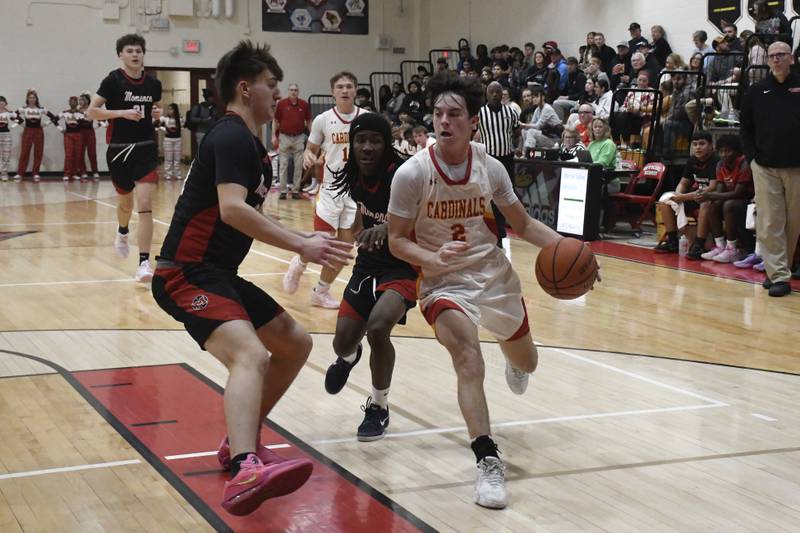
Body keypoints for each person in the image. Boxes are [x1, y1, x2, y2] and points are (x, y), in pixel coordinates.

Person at [152, 39, 352, 516]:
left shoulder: (247, 141)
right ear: (246, 88)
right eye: (270, 85)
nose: (277, 95)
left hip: (218, 272)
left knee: (295, 343)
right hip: (186, 273)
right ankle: (245, 466)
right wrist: (301, 245)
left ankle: (236, 443)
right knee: (251, 354)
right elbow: (233, 210)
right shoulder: (229, 135)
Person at [387, 71, 564, 510]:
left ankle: (515, 354)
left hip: (492, 276)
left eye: (454, 114)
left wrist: (570, 249)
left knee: (528, 361)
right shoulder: (412, 173)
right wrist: (429, 259)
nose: (444, 121)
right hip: (443, 282)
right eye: (438, 113)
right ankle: (487, 459)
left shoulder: (490, 167)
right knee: (468, 357)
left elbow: (522, 226)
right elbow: (396, 239)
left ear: (473, 124)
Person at [323, 113, 417, 441]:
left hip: (403, 265)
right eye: (361, 140)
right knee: (342, 340)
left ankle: (379, 407)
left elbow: (424, 217)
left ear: (386, 144)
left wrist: (389, 228)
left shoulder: (401, 175)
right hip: (369, 264)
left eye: (374, 141)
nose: (366, 147)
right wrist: (358, 234)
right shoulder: (356, 174)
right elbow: (364, 212)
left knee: (378, 328)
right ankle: (350, 355)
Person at [282, 72, 364, 309]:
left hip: (356, 191)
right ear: (333, 92)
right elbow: (311, 149)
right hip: (330, 189)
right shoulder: (323, 120)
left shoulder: (367, 119)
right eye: (340, 87)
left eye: (349, 86)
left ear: (355, 90)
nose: (345, 90)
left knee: (345, 248)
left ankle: (321, 292)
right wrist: (308, 157)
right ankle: (299, 262)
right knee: (324, 242)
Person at [87, 34, 162, 283]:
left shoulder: (153, 84)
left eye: (138, 50)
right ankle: (122, 231)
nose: (135, 54)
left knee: (145, 203)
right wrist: (122, 113)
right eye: (129, 50)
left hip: (146, 148)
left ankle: (143, 263)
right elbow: (92, 112)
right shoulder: (113, 80)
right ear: (120, 54)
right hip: (119, 149)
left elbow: (156, 109)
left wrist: (157, 114)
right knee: (125, 204)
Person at [740, 41, 800, 297]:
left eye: (781, 55)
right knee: (769, 222)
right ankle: (778, 275)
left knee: (793, 222)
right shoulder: (756, 91)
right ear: (767, 61)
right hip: (764, 167)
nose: (776, 59)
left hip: (797, 167)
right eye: (772, 56)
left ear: (791, 59)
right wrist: (753, 158)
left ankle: (779, 269)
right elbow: (746, 129)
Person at [653, 131, 720, 254]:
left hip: (712, 197)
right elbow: (683, 183)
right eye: (694, 144)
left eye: (702, 144)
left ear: (711, 145)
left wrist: (683, 198)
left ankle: (699, 244)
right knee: (666, 202)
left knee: (705, 203)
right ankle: (672, 241)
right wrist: (677, 195)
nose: (698, 147)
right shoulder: (692, 161)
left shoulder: (716, 161)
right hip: (695, 196)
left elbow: (712, 188)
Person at [695, 135, 754, 263]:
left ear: (737, 152)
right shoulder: (720, 165)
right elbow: (720, 191)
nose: (723, 154)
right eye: (721, 151)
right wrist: (708, 197)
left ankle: (731, 248)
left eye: (727, 151)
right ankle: (720, 245)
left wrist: (710, 194)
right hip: (732, 199)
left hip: (748, 200)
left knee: (728, 204)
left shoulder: (744, 164)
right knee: (712, 205)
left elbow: (739, 192)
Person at [272, 82, 311, 199]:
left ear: (298, 92)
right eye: (291, 90)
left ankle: (295, 190)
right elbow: (275, 120)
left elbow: (309, 120)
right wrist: (273, 136)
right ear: (288, 91)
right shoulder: (282, 104)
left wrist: (313, 136)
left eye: (295, 90)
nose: (293, 92)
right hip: (284, 137)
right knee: (283, 164)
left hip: (299, 137)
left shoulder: (304, 104)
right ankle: (283, 191)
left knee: (298, 165)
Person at [14, 89, 58, 182]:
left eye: (33, 97)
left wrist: (45, 124)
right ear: (27, 99)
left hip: (38, 131)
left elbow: (54, 117)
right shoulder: (24, 109)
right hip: (27, 131)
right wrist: (22, 123)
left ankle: (36, 173)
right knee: (25, 152)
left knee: (38, 152)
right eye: (30, 97)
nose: (32, 99)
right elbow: (13, 115)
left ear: (36, 99)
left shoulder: (41, 109)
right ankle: (20, 173)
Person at [77, 92, 102, 181]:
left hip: (90, 133)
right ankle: (83, 172)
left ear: (87, 101)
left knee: (92, 153)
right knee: (80, 153)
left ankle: (95, 172)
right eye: (79, 100)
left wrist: (94, 127)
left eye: (82, 100)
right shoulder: (77, 111)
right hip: (80, 133)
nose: (80, 101)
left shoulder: (91, 110)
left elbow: (102, 122)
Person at [59, 96, 84, 182]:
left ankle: (75, 173)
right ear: (69, 103)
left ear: (77, 103)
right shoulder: (64, 113)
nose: (73, 103)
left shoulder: (81, 113)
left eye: (74, 101)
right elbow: (54, 119)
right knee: (69, 154)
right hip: (68, 135)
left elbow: (86, 123)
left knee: (77, 154)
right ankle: (67, 173)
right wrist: (60, 129)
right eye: (71, 101)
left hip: (78, 135)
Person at [155, 103, 182, 180]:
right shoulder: (164, 118)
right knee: (168, 158)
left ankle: (177, 173)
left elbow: (182, 128)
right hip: (168, 140)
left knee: (177, 158)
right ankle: (168, 174)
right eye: (169, 109)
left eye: (171, 109)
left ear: (175, 110)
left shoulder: (180, 119)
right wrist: (163, 129)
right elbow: (156, 124)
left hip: (178, 139)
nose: (170, 111)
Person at [0, 96, 21, 181]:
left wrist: (12, 126)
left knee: (6, 155)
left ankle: (4, 174)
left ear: (5, 103)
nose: (1, 103)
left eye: (2, 102)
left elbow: (20, 120)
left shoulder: (9, 113)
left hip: (7, 136)